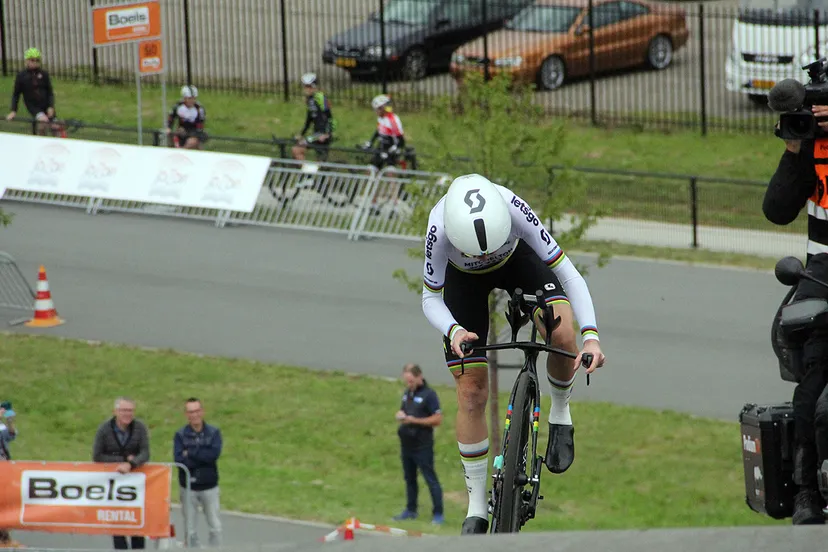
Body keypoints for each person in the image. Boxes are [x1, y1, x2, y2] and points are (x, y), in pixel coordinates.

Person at [421, 174, 605, 535]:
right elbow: (430, 297)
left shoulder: (512, 206)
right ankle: (476, 506)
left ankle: (561, 412)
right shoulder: (438, 228)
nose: (486, 255)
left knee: (562, 332)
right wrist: (454, 331)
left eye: (491, 246)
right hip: (463, 284)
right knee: (471, 392)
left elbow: (567, 272)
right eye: (478, 251)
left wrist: (592, 337)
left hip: (518, 262)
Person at [763, 106, 828, 525]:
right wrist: (795, 145)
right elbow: (777, 208)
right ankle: (808, 491)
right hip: (823, 276)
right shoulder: (814, 150)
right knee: (813, 392)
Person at [92, 397, 151, 549]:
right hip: (113, 483)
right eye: (124, 410)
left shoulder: (139, 428)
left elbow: (145, 453)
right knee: (117, 522)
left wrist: (131, 464)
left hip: (135, 483)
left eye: (130, 410)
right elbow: (97, 455)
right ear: (115, 411)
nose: (127, 414)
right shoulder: (104, 429)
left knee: (136, 520)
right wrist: (123, 460)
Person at [393, 364, 444, 525]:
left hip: (422, 445)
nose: (409, 384)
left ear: (419, 376)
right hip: (406, 444)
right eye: (406, 381)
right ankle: (411, 509)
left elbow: (437, 419)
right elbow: (405, 411)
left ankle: (438, 514)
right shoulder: (407, 394)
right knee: (409, 478)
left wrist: (414, 420)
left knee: (430, 479)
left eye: (411, 380)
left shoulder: (429, 395)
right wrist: (401, 416)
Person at [173, 398, 224, 548]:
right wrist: (201, 453)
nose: (194, 415)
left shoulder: (213, 432)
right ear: (186, 414)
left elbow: (213, 455)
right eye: (190, 412)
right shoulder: (180, 435)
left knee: (215, 525)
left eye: (196, 411)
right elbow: (180, 461)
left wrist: (191, 453)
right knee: (190, 529)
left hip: (209, 486)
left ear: (202, 411)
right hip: (188, 487)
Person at [6, 47, 58, 137]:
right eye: (32, 60)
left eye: (37, 60)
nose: (35, 62)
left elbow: (50, 92)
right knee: (43, 122)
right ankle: (41, 141)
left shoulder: (44, 74)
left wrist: (50, 106)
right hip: (33, 105)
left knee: (56, 126)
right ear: (27, 61)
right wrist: (13, 110)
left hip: (45, 104)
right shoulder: (21, 76)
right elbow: (16, 94)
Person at [292, 73, 334, 161]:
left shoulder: (321, 98)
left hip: (322, 133)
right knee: (320, 160)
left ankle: (306, 173)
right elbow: (309, 119)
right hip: (316, 133)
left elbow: (330, 117)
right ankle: (311, 172)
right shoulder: (309, 100)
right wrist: (301, 134)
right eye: (305, 86)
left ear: (314, 87)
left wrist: (327, 133)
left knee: (297, 149)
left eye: (309, 86)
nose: (306, 89)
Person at [361, 94, 405, 170]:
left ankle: (393, 181)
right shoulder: (380, 118)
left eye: (377, 109)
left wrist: (393, 149)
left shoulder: (393, 120)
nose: (375, 111)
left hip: (392, 148)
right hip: (382, 146)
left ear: (383, 108)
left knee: (390, 170)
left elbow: (400, 139)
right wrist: (370, 142)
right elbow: (378, 131)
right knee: (371, 168)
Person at [0, 403, 19, 548]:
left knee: (5, 502)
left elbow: (11, 435)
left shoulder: (1, 427)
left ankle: (5, 538)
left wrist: (10, 421)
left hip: (4, 470)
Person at [166, 85, 207, 149]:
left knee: (192, 142)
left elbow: (200, 126)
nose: (192, 101)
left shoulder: (199, 109)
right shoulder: (178, 106)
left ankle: (182, 150)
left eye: (193, 98)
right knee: (171, 136)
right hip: (181, 131)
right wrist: (169, 128)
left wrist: (192, 134)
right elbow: (171, 118)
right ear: (184, 98)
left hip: (194, 132)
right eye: (189, 98)